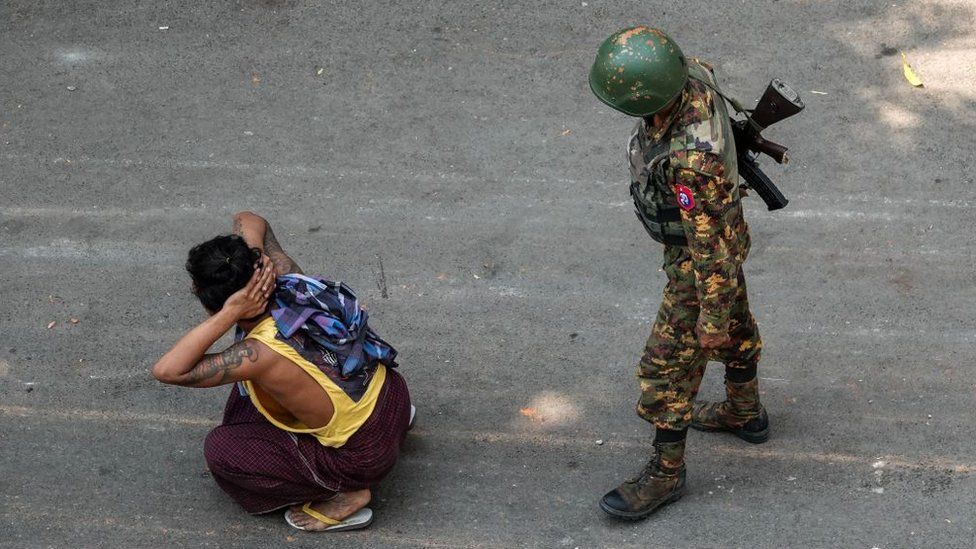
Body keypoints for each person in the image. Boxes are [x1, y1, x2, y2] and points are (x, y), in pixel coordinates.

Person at [588, 27, 769, 520]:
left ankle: (666, 475)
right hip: (719, 239)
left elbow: (710, 254)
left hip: (700, 261)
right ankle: (744, 411)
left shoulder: (692, 164)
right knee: (735, 320)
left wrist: (709, 318)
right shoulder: (689, 73)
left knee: (665, 368)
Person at [151, 211, 413, 533]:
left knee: (222, 449)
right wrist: (256, 259)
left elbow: (168, 370)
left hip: (366, 456)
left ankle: (347, 494)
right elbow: (248, 218)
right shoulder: (290, 280)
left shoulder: (259, 354)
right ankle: (388, 429)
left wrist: (230, 313)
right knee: (248, 394)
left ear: (215, 304)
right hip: (394, 398)